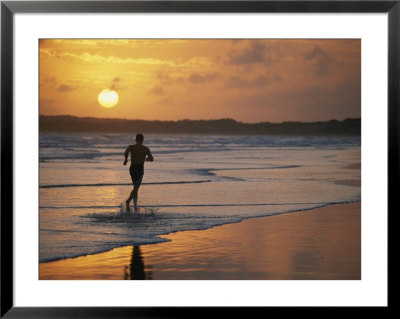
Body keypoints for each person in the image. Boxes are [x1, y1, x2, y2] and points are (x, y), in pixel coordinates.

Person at [123, 133, 153, 212]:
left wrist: (126, 160)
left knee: (136, 187)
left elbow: (126, 151)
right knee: (136, 187)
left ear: (136, 139)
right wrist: (147, 159)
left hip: (132, 168)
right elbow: (152, 158)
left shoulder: (131, 147)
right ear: (142, 140)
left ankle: (135, 206)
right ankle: (128, 201)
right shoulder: (145, 148)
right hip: (139, 168)